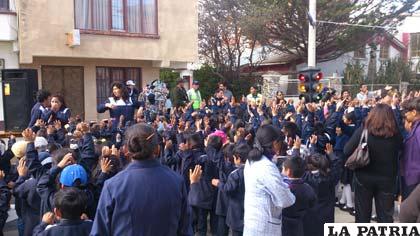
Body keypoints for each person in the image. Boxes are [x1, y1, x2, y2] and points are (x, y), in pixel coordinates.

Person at [91, 124, 192, 236]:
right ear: (157, 149)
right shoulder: (176, 182)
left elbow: (99, 232)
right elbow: (185, 229)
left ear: (126, 150)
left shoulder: (113, 185)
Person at [344, 104, 403, 223]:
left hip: (364, 177)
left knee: (362, 216)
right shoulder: (395, 134)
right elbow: (401, 149)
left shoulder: (364, 130)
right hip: (387, 179)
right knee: (385, 217)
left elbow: (347, 150)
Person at [243, 125, 295, 235]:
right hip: (264, 225)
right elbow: (284, 199)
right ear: (274, 143)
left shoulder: (252, 159)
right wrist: (287, 184)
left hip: (254, 220)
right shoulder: (266, 166)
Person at [281, 156, 317, 236]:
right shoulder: (307, 188)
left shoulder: (283, 188)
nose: (281, 171)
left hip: (283, 224)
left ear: (288, 172)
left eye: (283, 169)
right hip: (300, 223)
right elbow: (312, 203)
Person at [400, 97, 420, 199]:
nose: (405, 114)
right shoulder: (414, 128)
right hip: (411, 177)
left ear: (414, 112)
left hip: (415, 179)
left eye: (406, 112)